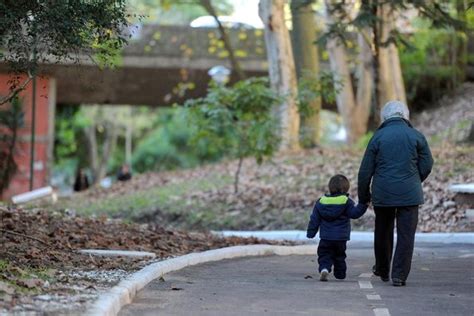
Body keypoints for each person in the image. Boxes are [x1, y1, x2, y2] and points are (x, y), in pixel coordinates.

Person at [358, 100, 433, 287]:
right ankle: (399, 275)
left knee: (383, 231)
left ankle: (383, 269)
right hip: (410, 194)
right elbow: (427, 163)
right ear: (405, 116)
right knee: (406, 234)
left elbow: (365, 171)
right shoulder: (416, 136)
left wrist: (363, 197)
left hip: (383, 193)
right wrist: (414, 180)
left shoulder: (378, 137)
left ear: (385, 117)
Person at [307, 174, 368, 281]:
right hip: (341, 238)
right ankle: (340, 273)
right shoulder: (346, 202)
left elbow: (314, 219)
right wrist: (363, 204)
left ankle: (324, 268)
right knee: (340, 256)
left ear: (330, 188)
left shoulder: (321, 202)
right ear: (346, 189)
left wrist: (311, 232)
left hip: (326, 237)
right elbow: (355, 213)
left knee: (324, 254)